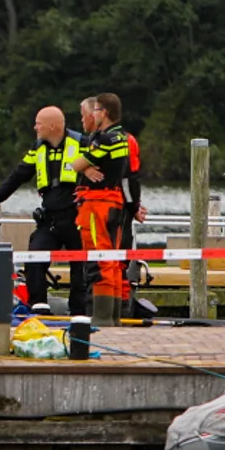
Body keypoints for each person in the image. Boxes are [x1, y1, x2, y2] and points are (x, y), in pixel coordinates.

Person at [0, 106, 87, 316]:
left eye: (39, 123)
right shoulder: (38, 148)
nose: (35, 127)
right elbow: (18, 175)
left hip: (77, 216)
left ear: (53, 125)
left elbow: (105, 168)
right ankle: (39, 306)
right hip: (50, 217)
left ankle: (79, 313)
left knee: (81, 266)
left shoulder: (82, 143)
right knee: (34, 257)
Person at [73, 94, 133, 325]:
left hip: (98, 204)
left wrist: (83, 167)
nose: (91, 115)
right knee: (114, 260)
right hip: (113, 203)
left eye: (95, 110)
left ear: (104, 112)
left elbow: (76, 164)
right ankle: (114, 317)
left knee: (100, 260)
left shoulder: (107, 138)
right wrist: (87, 169)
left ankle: (102, 318)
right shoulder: (121, 137)